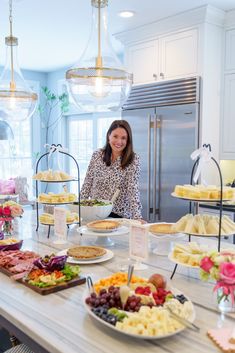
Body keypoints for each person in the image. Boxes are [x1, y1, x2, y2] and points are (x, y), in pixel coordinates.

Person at [81, 120, 143, 220]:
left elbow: (133, 190)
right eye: (115, 136)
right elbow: (87, 182)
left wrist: (137, 217)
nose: (119, 141)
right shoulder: (97, 155)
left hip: (119, 216)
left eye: (123, 138)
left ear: (128, 141)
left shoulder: (133, 159)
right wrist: (79, 209)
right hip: (94, 212)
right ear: (108, 136)